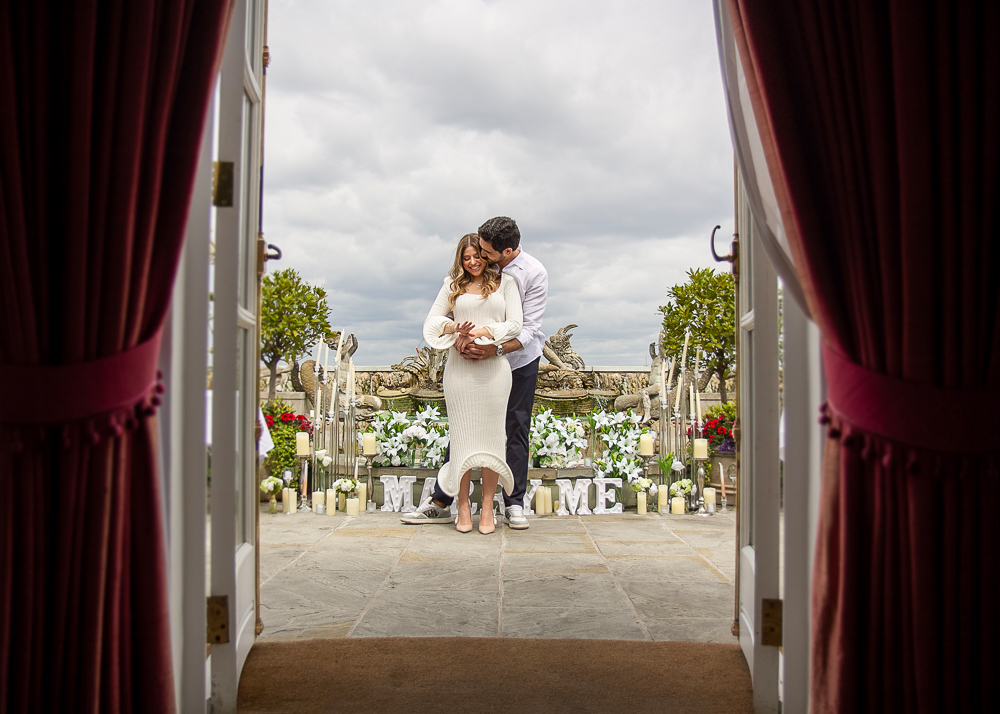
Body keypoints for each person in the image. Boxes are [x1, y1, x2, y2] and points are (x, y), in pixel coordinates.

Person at [402, 216, 547, 530]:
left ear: (504, 252)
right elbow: (437, 319)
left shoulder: (531, 274)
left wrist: (491, 345)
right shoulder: (459, 280)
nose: (479, 257)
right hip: (466, 364)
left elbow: (527, 329)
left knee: (514, 430)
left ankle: (513, 504)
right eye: (473, 252)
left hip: (516, 361)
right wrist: (456, 335)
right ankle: (444, 501)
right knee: (463, 432)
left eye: (484, 252)